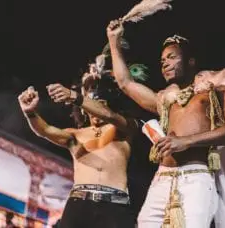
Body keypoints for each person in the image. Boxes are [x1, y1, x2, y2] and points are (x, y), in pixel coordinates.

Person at [107, 20, 225, 228]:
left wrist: (186, 141)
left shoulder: (218, 90)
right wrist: (114, 41)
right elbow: (126, 83)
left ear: (190, 61)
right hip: (162, 177)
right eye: (162, 60)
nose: (165, 63)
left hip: (196, 178)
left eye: (171, 57)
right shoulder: (165, 100)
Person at [18, 73, 140, 227]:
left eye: (98, 103)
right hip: (79, 202)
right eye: (90, 104)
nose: (94, 109)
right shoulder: (75, 135)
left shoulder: (123, 128)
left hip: (115, 204)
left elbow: (109, 115)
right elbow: (45, 130)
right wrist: (30, 113)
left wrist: (75, 97)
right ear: (83, 110)